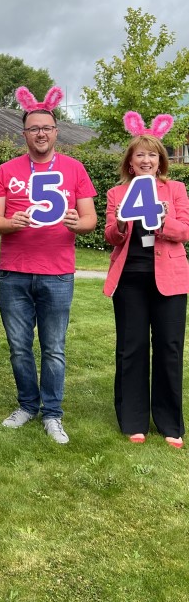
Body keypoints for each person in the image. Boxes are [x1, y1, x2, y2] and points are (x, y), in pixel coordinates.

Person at [0, 86, 97, 444]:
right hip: (14, 272)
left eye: (46, 128)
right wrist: (12, 223)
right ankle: (27, 405)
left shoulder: (75, 168)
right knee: (19, 347)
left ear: (55, 132)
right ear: (24, 134)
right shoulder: (7, 170)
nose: (40, 133)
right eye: (33, 128)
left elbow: (90, 220)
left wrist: (73, 222)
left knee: (54, 348)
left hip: (58, 273)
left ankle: (52, 413)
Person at [104, 112, 189, 449]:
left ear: (160, 160)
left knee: (169, 348)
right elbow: (111, 234)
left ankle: (170, 423)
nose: (146, 159)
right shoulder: (117, 193)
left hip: (169, 278)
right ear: (130, 162)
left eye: (152, 154)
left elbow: (184, 231)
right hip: (130, 280)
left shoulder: (176, 189)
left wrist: (163, 223)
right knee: (131, 348)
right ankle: (133, 419)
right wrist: (122, 227)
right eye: (140, 154)